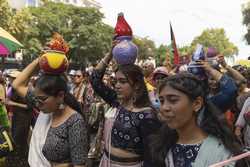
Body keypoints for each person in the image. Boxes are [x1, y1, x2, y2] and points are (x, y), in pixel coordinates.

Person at [145, 73, 246, 167]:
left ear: (197, 104)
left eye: (173, 100)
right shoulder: (159, 148)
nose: (164, 108)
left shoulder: (224, 154)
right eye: (161, 101)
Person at [89, 49, 161, 167]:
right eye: (116, 81)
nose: (117, 85)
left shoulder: (147, 116)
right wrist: (110, 53)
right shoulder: (116, 102)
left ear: (137, 85)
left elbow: (153, 158)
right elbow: (95, 80)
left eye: (122, 82)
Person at [12, 58, 88, 167]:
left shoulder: (75, 122)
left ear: (60, 96)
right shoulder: (46, 107)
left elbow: (79, 164)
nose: (37, 104)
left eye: (42, 99)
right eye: (36, 99)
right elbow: (17, 84)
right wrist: (39, 60)